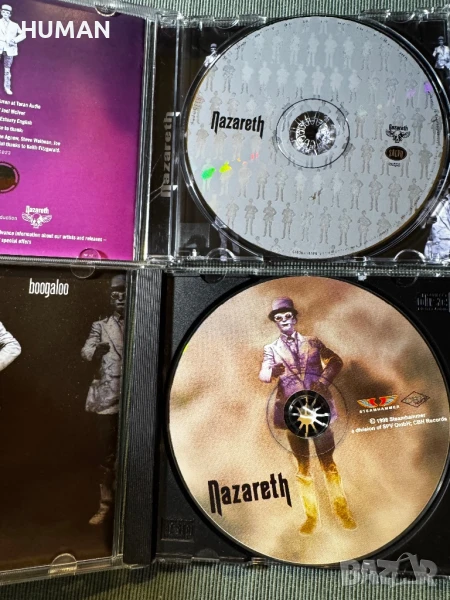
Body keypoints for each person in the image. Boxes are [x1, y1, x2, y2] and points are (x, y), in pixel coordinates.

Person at [259, 297, 356, 534]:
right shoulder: (271, 349)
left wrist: (323, 382)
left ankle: (342, 513)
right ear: (276, 322)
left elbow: (336, 361)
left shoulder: (313, 342)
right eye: (279, 318)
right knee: (303, 469)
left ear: (294, 318)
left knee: (329, 465)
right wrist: (272, 371)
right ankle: (311, 518)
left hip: (319, 411)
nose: (284, 321)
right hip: (293, 416)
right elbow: (263, 373)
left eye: (287, 316)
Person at [81, 274, 126, 525]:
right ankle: (105, 506)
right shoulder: (100, 326)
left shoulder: (144, 319)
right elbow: (86, 351)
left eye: (124, 291)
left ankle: (128, 506)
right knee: (106, 456)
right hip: (108, 400)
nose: (120, 297)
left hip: (134, 400)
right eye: (115, 293)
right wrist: (96, 351)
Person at [0, 4, 25, 95]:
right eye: (4, 12)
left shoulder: (15, 25)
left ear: (10, 14)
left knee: (7, 70)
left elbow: (23, 35)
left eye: (7, 13)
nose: (5, 14)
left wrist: (14, 40)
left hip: (9, 49)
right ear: (1, 12)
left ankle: (7, 88)